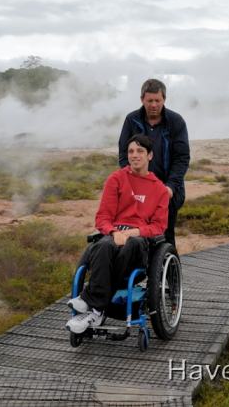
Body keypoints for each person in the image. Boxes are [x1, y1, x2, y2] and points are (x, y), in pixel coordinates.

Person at [65, 134, 169, 333]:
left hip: (139, 241)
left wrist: (135, 232)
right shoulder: (116, 179)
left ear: (150, 156)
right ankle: (96, 310)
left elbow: (158, 226)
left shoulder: (160, 190)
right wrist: (113, 231)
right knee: (103, 245)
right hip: (114, 236)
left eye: (140, 151)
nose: (134, 155)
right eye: (131, 151)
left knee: (132, 243)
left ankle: (92, 303)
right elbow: (103, 217)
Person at [118, 79, 189, 247]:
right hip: (137, 191)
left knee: (165, 237)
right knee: (136, 235)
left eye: (158, 100)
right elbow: (123, 154)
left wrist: (171, 187)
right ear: (142, 99)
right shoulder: (132, 120)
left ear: (164, 99)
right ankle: (143, 271)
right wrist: (131, 184)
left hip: (167, 190)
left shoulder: (176, 121)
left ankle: (169, 272)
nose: (154, 105)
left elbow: (182, 158)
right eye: (150, 101)